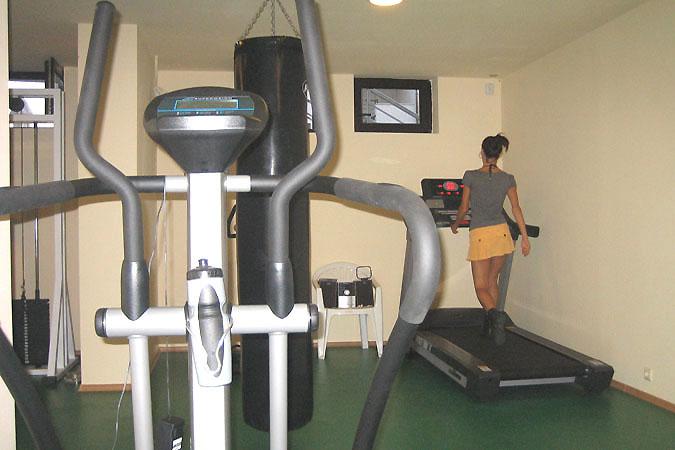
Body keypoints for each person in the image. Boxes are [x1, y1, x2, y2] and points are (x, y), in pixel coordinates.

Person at [450, 134, 530, 345]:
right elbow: (516, 208)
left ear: (482, 153)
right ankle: (494, 329)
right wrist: (524, 237)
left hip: (481, 235)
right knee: (492, 280)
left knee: (480, 286)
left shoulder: (471, 176)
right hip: (502, 234)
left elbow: (464, 207)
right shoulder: (508, 178)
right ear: (499, 154)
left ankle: (495, 316)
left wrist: (455, 225)